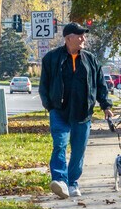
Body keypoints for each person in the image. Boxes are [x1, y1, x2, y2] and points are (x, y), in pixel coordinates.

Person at [39, 22, 113, 198]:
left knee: (78, 149)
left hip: (82, 112)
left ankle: (72, 182)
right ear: (68, 38)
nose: (83, 39)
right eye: (79, 36)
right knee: (60, 144)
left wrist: (106, 106)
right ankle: (60, 181)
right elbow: (44, 86)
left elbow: (100, 85)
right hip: (59, 111)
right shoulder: (51, 59)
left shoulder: (91, 59)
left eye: (83, 35)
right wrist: (50, 106)